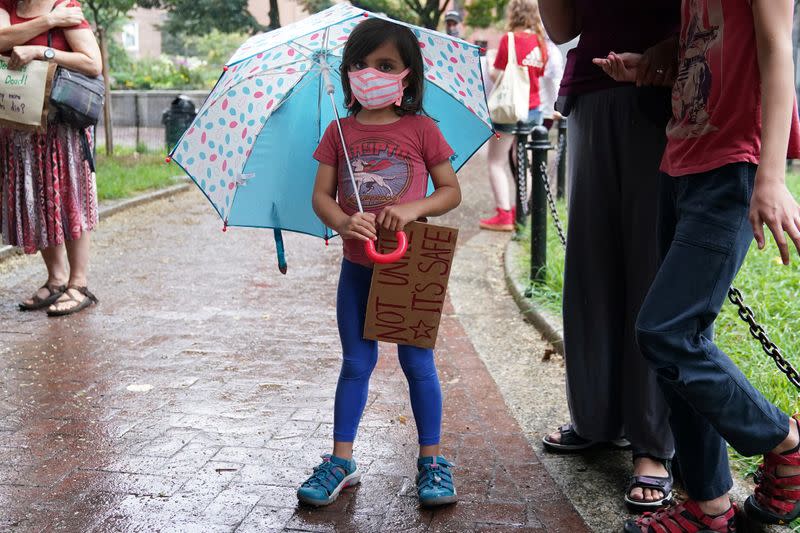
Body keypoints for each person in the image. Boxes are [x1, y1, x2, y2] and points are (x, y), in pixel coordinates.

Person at [594, 0, 800, 530]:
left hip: (733, 168)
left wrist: (771, 177)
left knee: (667, 332)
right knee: (681, 344)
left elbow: (778, 51)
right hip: (680, 160)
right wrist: (653, 62)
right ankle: (709, 506)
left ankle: (787, 442)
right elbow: (709, 49)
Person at [300, 17, 462, 508]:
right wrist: (345, 221)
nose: (371, 72)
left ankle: (432, 460)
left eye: (385, 65)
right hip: (357, 268)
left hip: (408, 270)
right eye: (360, 64)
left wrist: (412, 208)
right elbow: (321, 198)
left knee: (418, 363)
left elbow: (451, 190)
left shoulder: (422, 129)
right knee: (355, 363)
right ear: (347, 74)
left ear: (407, 75)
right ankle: (341, 460)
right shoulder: (339, 131)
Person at [539, 0, 679, 512]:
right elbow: (562, 28)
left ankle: (652, 445)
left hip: (666, 92)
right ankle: (595, 418)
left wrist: (676, 45)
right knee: (590, 269)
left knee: (651, 268)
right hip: (592, 89)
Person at [0, 0, 102, 316]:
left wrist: (41, 51)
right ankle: (56, 279)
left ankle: (78, 284)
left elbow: (92, 63)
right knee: (36, 202)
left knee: (69, 199)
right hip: (21, 125)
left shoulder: (66, 6)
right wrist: (49, 21)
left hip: (62, 126)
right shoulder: (7, 6)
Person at [480, 0, 547, 232]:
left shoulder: (509, 40)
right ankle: (522, 211)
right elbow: (540, 73)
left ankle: (504, 214)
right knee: (524, 163)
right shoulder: (540, 42)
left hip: (509, 109)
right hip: (533, 110)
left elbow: (498, 73)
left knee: (495, 162)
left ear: (514, 12)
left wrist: (489, 62)